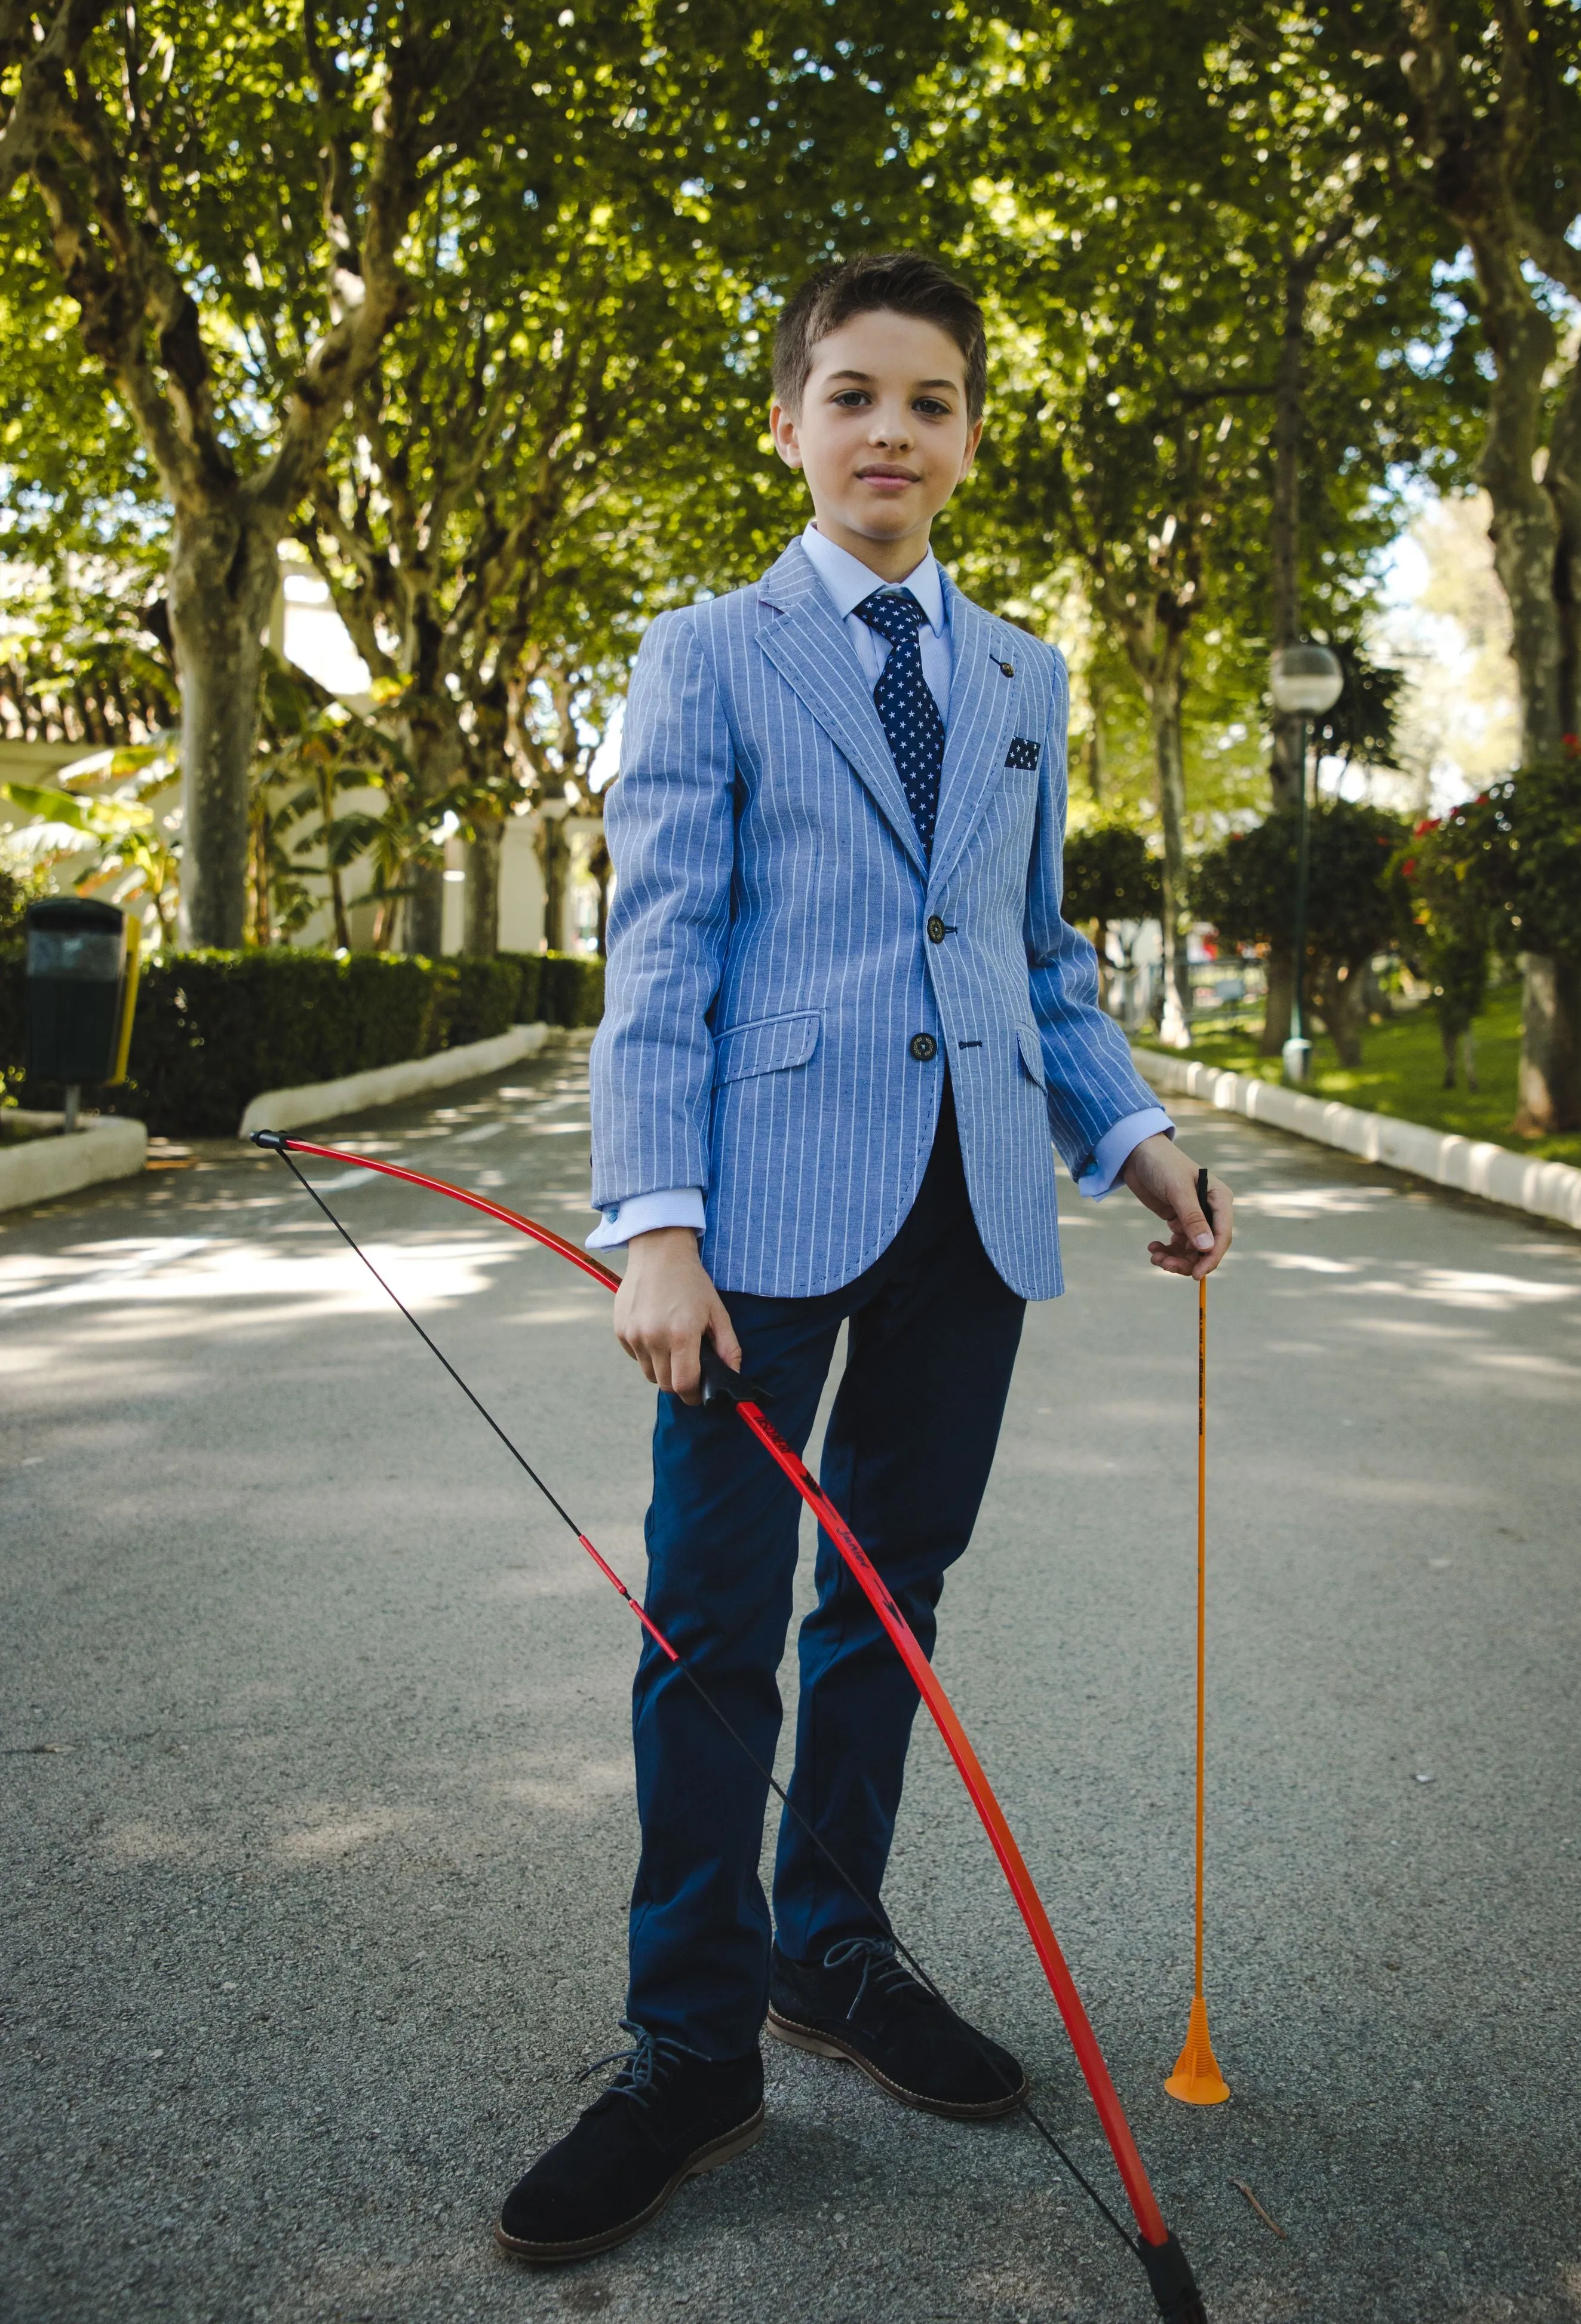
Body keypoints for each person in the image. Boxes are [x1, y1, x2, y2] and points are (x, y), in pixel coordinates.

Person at [496, 250, 1234, 2265]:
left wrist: (1136, 1135)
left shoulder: (1022, 674)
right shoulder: (706, 654)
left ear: (970, 437)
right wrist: (652, 1226)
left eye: (929, 400)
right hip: (754, 1225)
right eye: (852, 395)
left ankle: (832, 1946)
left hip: (974, 1212)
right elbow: (662, 952)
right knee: (714, 1623)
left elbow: (1031, 951)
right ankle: (689, 2045)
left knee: (887, 1607)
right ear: (789, 421)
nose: (890, 430)